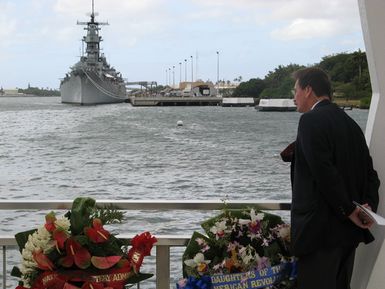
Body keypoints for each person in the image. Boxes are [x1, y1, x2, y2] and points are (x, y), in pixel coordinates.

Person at [282, 67, 380, 289]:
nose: (293, 96)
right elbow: (370, 175)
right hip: (348, 236)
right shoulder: (351, 125)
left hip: (319, 235)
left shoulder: (310, 121)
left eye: (295, 90)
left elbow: (324, 173)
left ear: (308, 90)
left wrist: (349, 210)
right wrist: (367, 208)